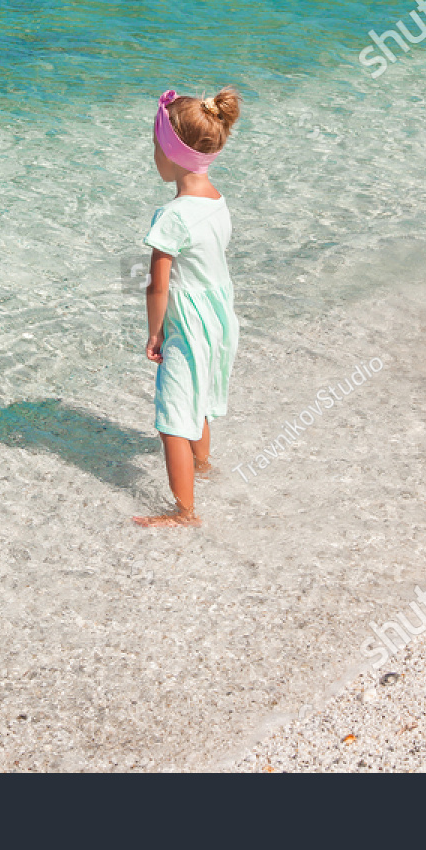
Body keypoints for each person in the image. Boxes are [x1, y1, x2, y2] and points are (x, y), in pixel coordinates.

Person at [133, 88, 242, 528]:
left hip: (188, 323)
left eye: (156, 145)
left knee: (172, 419)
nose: (154, 154)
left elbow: (156, 288)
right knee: (196, 400)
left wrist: (154, 333)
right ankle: (201, 465)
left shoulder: (172, 216)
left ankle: (185, 512)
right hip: (219, 318)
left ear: (173, 153)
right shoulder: (216, 200)